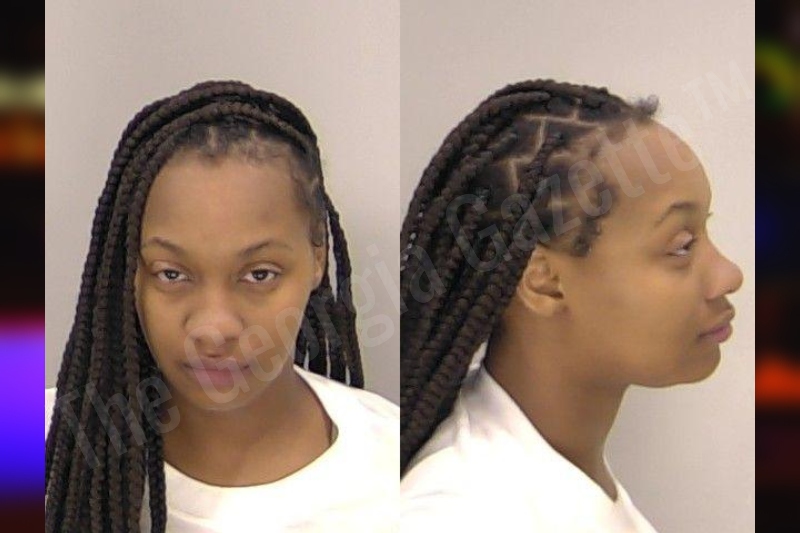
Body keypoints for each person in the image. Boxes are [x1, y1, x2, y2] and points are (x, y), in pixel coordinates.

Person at [45, 80, 398, 532]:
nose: (214, 329)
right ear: (129, 271)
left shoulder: (397, 476)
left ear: (317, 257)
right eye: (172, 274)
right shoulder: (35, 447)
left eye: (259, 275)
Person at [400, 79, 743, 531]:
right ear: (544, 283)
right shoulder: (459, 515)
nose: (729, 275)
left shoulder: (553, 477)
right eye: (681, 245)